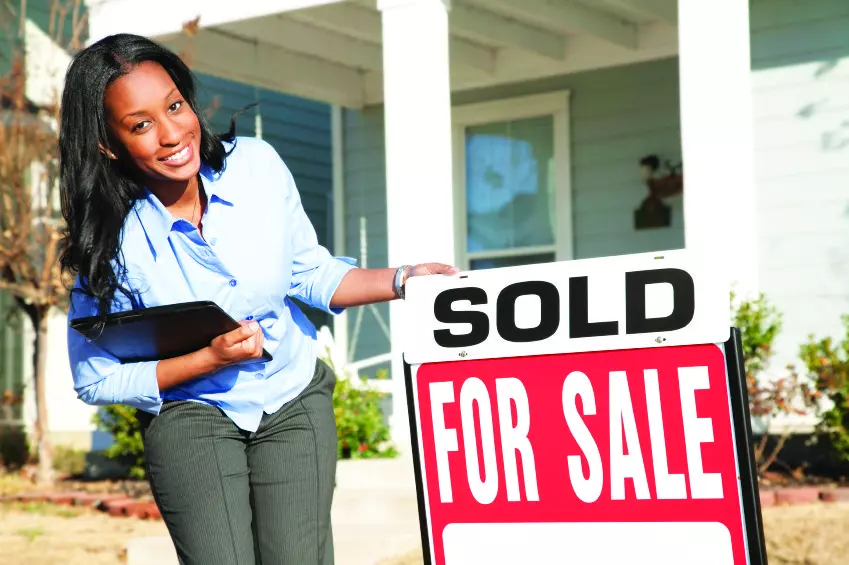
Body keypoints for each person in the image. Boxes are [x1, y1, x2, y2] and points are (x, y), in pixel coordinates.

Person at [58, 33, 458, 565]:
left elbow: (310, 272)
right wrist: (208, 358)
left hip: (291, 398)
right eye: (141, 124)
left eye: (175, 106)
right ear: (109, 144)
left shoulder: (257, 167)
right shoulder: (110, 241)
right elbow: (95, 377)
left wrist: (404, 278)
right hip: (192, 414)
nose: (173, 133)